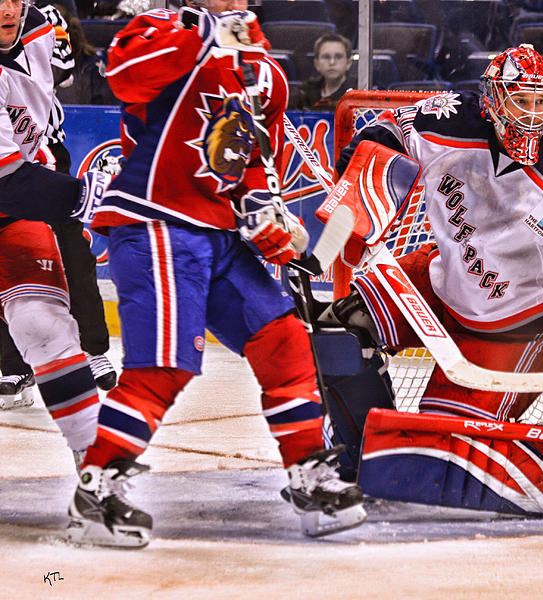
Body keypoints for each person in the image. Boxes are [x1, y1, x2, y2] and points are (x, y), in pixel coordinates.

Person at [65, 0, 366, 548]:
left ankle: (310, 478)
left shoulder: (262, 66)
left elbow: (249, 154)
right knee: (162, 368)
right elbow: (123, 74)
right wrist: (203, 32)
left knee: (285, 342)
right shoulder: (164, 27)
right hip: (158, 223)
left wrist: (264, 216)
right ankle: (97, 489)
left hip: (220, 234)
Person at [322, 44, 543, 518]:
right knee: (337, 332)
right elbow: (387, 130)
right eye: (522, 100)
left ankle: (401, 445)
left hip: (521, 329)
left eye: (542, 102)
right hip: (443, 279)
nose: (533, 114)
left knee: (434, 447)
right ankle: (355, 460)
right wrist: (364, 183)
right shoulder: (450, 119)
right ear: (493, 99)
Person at [0, 0, 114, 465]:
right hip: (11, 183)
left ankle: (95, 477)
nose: (6, 8)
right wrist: (85, 196)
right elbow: (8, 179)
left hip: (23, 189)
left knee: (43, 324)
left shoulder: (45, 24)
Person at [292, 33, 353, 111]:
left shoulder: (357, 92)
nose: (332, 62)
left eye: (338, 57)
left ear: (348, 63)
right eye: (326, 57)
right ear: (316, 64)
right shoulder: (303, 92)